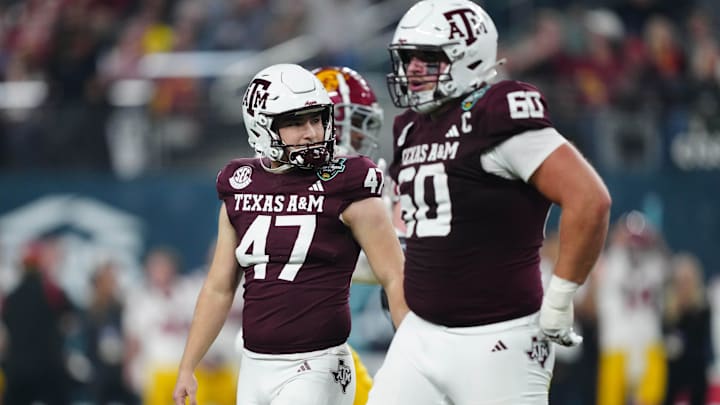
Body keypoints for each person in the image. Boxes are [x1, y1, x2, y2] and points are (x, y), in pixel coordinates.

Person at [366, 1, 612, 404]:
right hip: (421, 335)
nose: (411, 69)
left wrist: (562, 295)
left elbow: (589, 199)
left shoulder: (496, 111)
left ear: (468, 58)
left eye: (427, 58)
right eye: (407, 58)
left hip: (498, 339)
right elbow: (417, 223)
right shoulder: (410, 126)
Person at [173, 63, 408, 405]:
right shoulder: (240, 183)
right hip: (255, 364)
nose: (311, 132)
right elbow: (219, 287)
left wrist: (410, 355)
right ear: (261, 125)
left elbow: (395, 277)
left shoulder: (350, 181)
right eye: (296, 122)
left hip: (317, 363)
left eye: (316, 119)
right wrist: (187, 365)